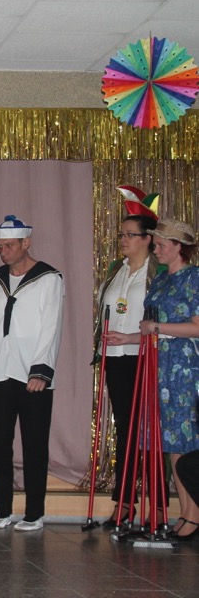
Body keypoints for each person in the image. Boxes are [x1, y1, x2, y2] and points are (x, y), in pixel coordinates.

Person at [0, 214, 64, 532]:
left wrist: (41, 370)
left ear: (26, 243)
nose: (3, 252)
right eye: (0, 246)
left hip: (32, 375)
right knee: (1, 443)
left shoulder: (48, 278)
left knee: (34, 444)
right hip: (1, 371)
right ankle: (2, 510)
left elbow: (51, 327)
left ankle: (34, 512)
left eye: (9, 246)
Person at [94, 209, 160, 529]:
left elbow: (161, 320)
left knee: (151, 432)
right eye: (122, 234)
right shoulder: (115, 269)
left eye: (130, 234)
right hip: (115, 357)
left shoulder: (157, 272)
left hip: (144, 355)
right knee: (126, 430)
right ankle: (124, 502)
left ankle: (157, 505)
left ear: (147, 239)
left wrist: (134, 336)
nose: (123, 239)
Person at [139, 218, 199, 540]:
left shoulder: (194, 277)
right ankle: (186, 512)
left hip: (184, 368)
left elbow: (197, 327)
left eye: (162, 245)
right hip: (159, 366)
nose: (156, 250)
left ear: (179, 247)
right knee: (172, 441)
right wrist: (128, 338)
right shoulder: (161, 280)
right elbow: (151, 327)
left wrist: (158, 328)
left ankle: (193, 514)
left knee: (185, 440)